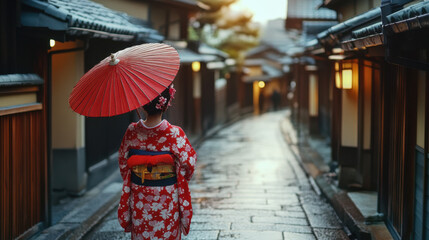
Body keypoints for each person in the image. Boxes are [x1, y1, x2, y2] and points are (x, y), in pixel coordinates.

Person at [117, 84, 197, 240]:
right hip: (167, 197)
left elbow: (123, 164)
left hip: (139, 195)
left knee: (142, 234)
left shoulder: (132, 131)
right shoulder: (174, 133)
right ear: (166, 104)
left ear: (142, 106)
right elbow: (189, 164)